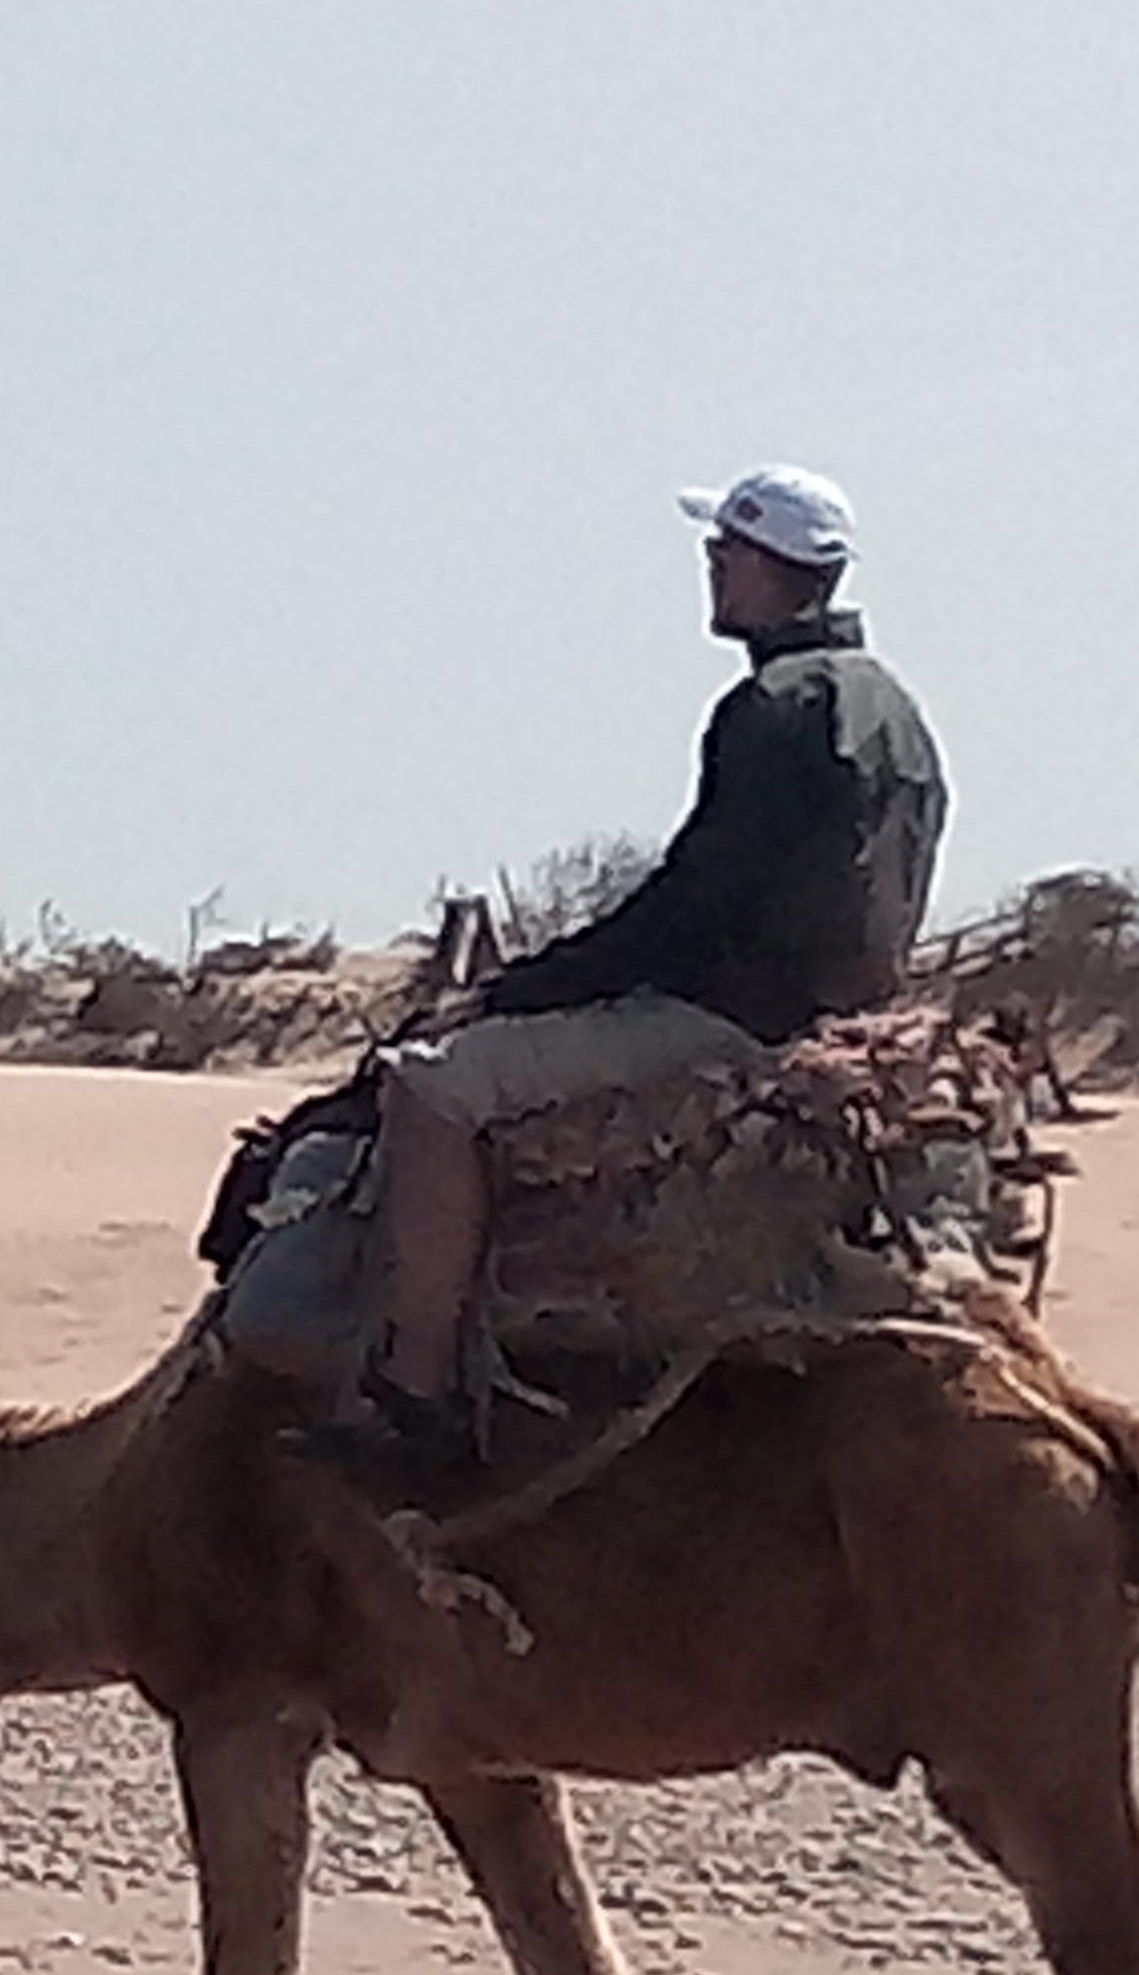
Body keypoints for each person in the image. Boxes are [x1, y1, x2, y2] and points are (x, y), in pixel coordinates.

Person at [341, 464, 947, 1458]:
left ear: (777, 567)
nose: (710, 565)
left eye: (727, 550)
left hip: (727, 1018)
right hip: (837, 1014)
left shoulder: (772, 708)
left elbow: (685, 911)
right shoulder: (894, 711)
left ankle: (418, 1397)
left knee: (432, 1089)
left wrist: (507, 994)